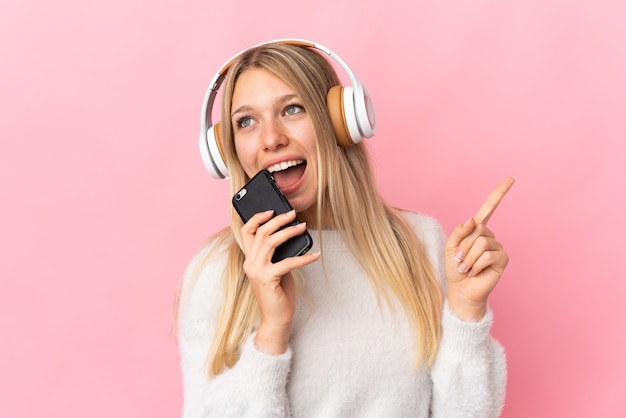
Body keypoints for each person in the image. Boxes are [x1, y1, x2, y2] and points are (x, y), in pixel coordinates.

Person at [177, 39, 513, 417]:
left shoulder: (423, 244)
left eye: (292, 109)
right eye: (246, 121)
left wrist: (466, 311)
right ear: (228, 148)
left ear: (340, 122)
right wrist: (271, 331)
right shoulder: (215, 272)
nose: (271, 139)